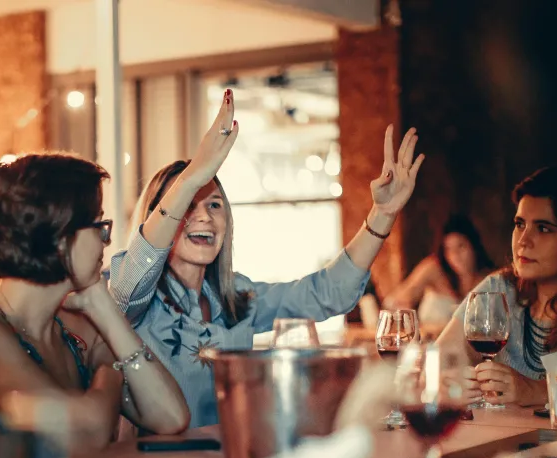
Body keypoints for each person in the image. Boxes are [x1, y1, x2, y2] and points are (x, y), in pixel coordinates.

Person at [108, 88, 425, 427]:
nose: (204, 217)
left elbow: (325, 293)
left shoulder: (238, 297)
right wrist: (192, 175)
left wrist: (382, 213)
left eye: (214, 205)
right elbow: (128, 283)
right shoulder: (139, 304)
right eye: (187, 203)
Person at [0, 153, 189, 449]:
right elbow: (84, 434)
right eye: (98, 225)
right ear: (60, 235)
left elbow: (171, 417)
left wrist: (104, 307)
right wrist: (109, 372)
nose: (106, 240)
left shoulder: (78, 328)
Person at [438, 167, 557, 406]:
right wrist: (448, 380)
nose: (523, 240)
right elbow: (439, 359)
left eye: (543, 228)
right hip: (503, 440)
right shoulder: (500, 289)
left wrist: (535, 391)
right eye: (520, 224)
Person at [384, 213, 496, 325]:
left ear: (474, 246)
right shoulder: (434, 269)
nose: (455, 255)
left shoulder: (489, 279)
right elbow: (396, 300)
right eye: (448, 249)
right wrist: (405, 305)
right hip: (428, 339)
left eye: (461, 246)